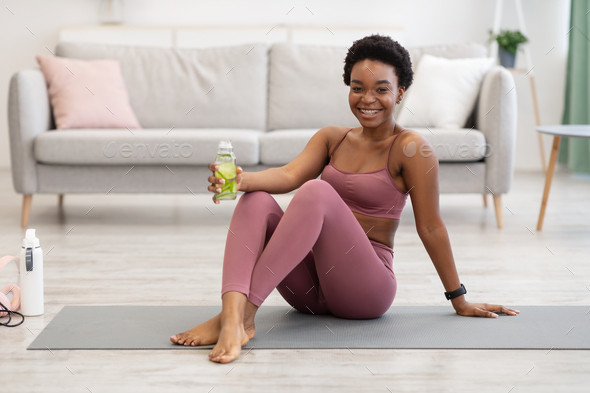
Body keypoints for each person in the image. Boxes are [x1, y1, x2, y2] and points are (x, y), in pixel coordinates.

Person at [170, 34, 519, 363]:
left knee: (317, 191)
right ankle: (230, 314)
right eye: (358, 88)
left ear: (400, 93)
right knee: (255, 199)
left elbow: (431, 227)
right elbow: (289, 175)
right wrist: (242, 180)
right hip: (310, 294)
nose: (367, 99)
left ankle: (241, 318)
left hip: (365, 291)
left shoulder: (412, 148)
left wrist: (458, 299)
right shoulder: (332, 139)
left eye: (381, 89)